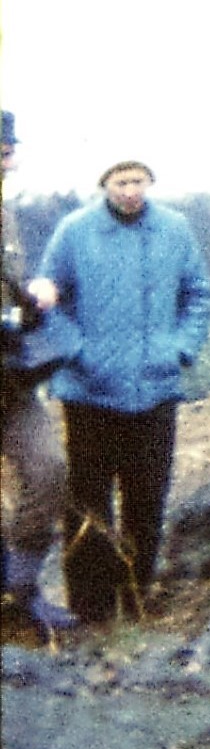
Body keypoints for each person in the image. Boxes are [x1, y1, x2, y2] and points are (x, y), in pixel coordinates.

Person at [25, 159, 210, 624]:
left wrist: (180, 349)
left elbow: (198, 295)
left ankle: (136, 602)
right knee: (89, 502)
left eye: (138, 181)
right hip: (89, 393)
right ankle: (90, 612)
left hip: (156, 391)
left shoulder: (175, 229)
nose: (130, 190)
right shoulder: (74, 231)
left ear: (150, 182)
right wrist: (80, 353)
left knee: (147, 498)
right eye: (120, 181)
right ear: (104, 183)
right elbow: (47, 302)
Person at [2, 111, 79, 635]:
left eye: (9, 151)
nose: (8, 160)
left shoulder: (4, 210)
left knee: (48, 469)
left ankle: (22, 589)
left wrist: (27, 301)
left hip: (10, 379)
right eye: (2, 152)